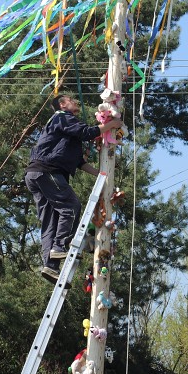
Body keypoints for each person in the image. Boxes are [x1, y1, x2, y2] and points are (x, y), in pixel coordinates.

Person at [25, 94, 122, 284]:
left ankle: (50, 266)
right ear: (62, 104)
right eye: (70, 100)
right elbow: (87, 132)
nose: (75, 101)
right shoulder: (62, 117)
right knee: (70, 206)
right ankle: (59, 246)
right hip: (47, 171)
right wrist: (112, 125)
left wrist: (102, 173)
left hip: (36, 174)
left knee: (50, 222)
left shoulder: (65, 134)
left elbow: (79, 163)